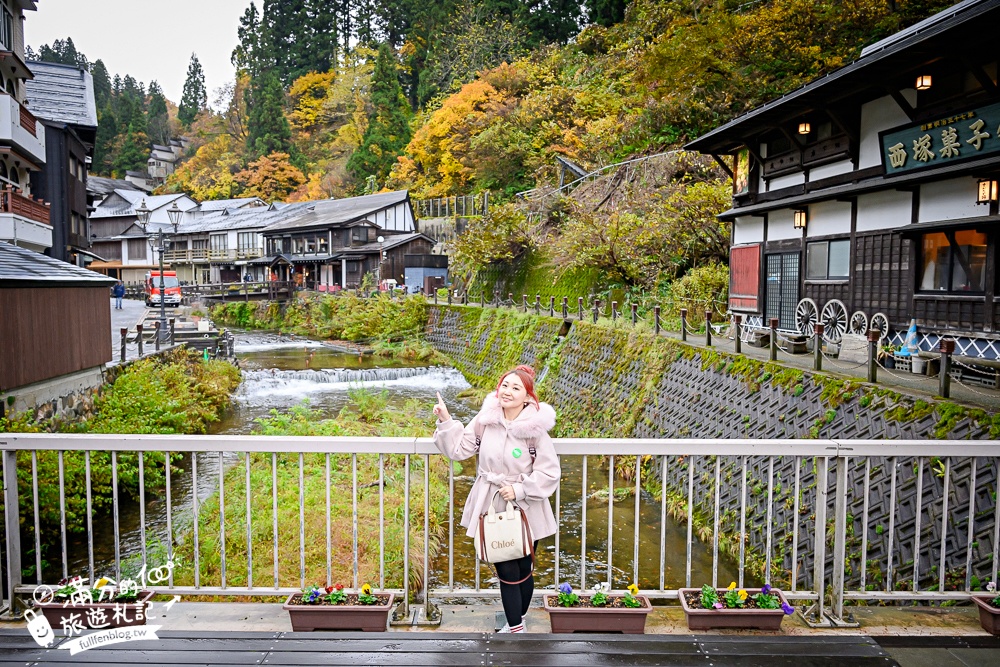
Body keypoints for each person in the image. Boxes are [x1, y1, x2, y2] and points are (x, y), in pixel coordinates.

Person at [433, 365, 560, 634]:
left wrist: (521, 490)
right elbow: (460, 449)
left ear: (527, 397)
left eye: (516, 388)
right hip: (493, 502)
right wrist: (446, 420)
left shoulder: (535, 430)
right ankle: (516, 626)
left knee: (524, 565)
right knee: (506, 566)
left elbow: (549, 471)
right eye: (505, 385)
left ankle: (518, 619)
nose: (507, 391)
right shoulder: (485, 419)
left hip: (527, 505)